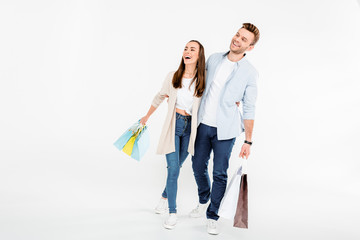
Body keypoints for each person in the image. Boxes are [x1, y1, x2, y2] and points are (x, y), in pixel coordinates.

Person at [189, 23, 260, 235]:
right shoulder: (213, 59)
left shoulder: (250, 73)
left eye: (244, 39)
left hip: (226, 131)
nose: (237, 40)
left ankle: (213, 214)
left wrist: (248, 141)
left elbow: (249, 107)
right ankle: (204, 198)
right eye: (237, 35)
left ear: (250, 47)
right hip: (203, 124)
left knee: (219, 173)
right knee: (197, 165)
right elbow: (198, 83)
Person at [140, 40, 206, 230]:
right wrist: (147, 116)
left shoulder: (203, 79)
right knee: (174, 169)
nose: (187, 51)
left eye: (192, 49)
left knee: (176, 167)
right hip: (174, 125)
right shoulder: (173, 76)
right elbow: (160, 96)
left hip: (190, 130)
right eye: (186, 48)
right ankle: (172, 212)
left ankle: (163, 196)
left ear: (199, 55)